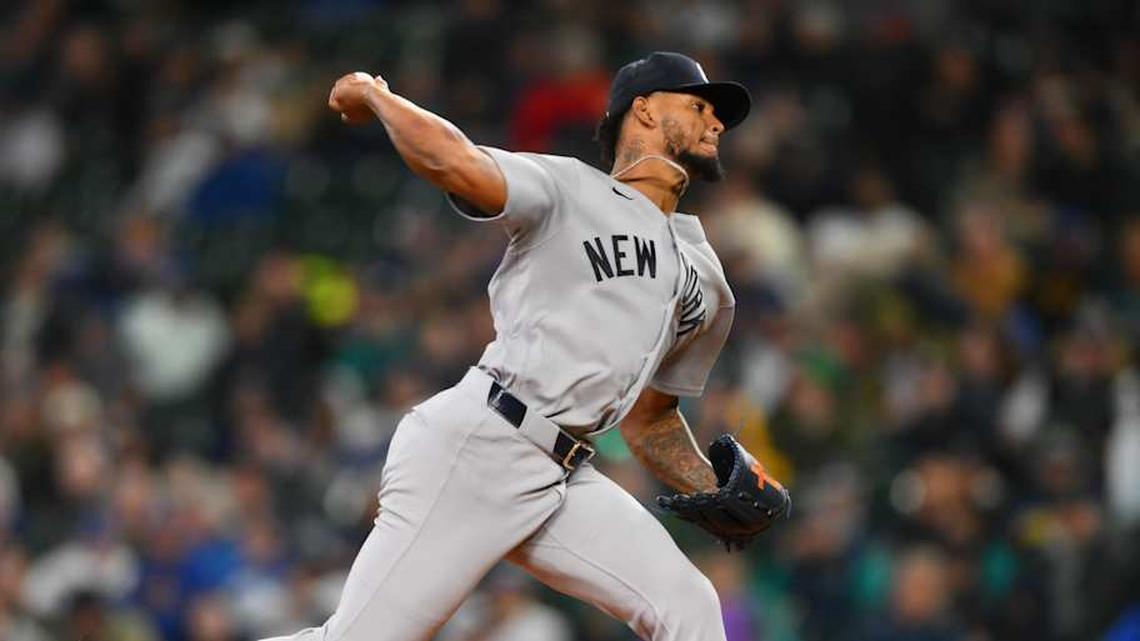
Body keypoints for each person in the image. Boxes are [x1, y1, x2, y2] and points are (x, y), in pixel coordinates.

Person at [265, 51, 784, 641]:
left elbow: (651, 419)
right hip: (481, 446)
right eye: (698, 106)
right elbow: (453, 161)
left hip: (566, 476)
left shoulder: (706, 276)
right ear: (642, 110)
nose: (716, 123)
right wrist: (379, 96)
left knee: (688, 605)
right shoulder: (567, 187)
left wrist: (709, 485)